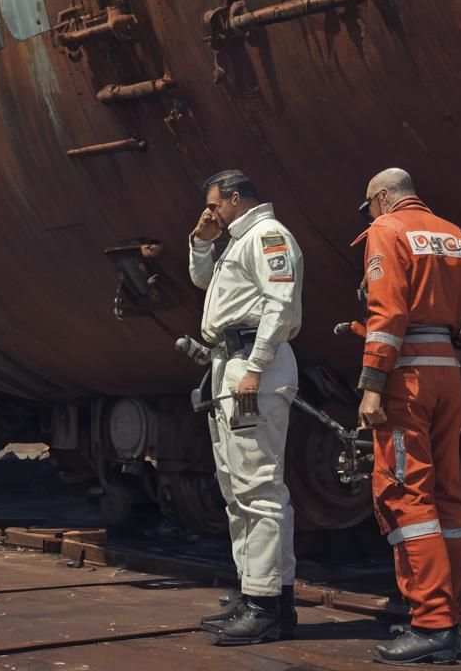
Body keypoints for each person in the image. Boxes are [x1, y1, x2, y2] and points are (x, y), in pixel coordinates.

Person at [354, 169, 461, 665]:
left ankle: (432, 624)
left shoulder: (387, 231)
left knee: (405, 494)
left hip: (407, 378)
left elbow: (388, 313)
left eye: (370, 206)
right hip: (447, 372)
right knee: (448, 495)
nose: (371, 215)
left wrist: (372, 386)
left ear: (382, 198)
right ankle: (449, 616)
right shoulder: (455, 233)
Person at [187, 169, 303, 646]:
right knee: (236, 489)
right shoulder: (237, 240)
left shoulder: (267, 236)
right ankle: (257, 592)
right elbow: (204, 285)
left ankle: (267, 607)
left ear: (236, 198)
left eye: (214, 205)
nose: (210, 213)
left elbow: (281, 301)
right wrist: (200, 242)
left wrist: (256, 365)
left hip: (256, 361)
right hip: (229, 363)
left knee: (260, 488)